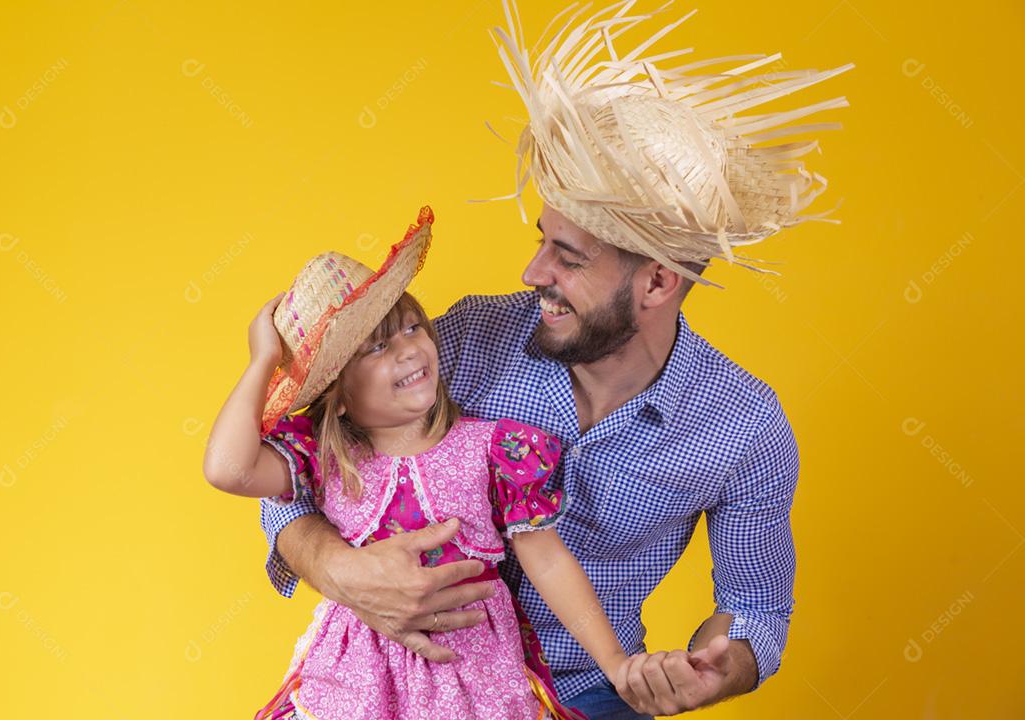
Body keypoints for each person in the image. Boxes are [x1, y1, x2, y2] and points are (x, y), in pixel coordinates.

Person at [258, 2, 851, 717]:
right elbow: (304, 460)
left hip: (585, 692)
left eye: (567, 258)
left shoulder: (744, 425)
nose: (533, 271)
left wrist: (716, 668)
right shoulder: (469, 339)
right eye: (544, 239)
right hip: (412, 684)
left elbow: (756, 609)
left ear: (658, 282)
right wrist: (342, 570)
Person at [204, 207, 628, 720]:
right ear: (337, 397)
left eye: (411, 329)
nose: (407, 351)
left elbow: (549, 561)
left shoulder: (495, 449)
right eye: (377, 347)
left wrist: (617, 665)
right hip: (357, 682)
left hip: (470, 678)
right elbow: (227, 469)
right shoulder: (326, 456)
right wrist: (262, 362)